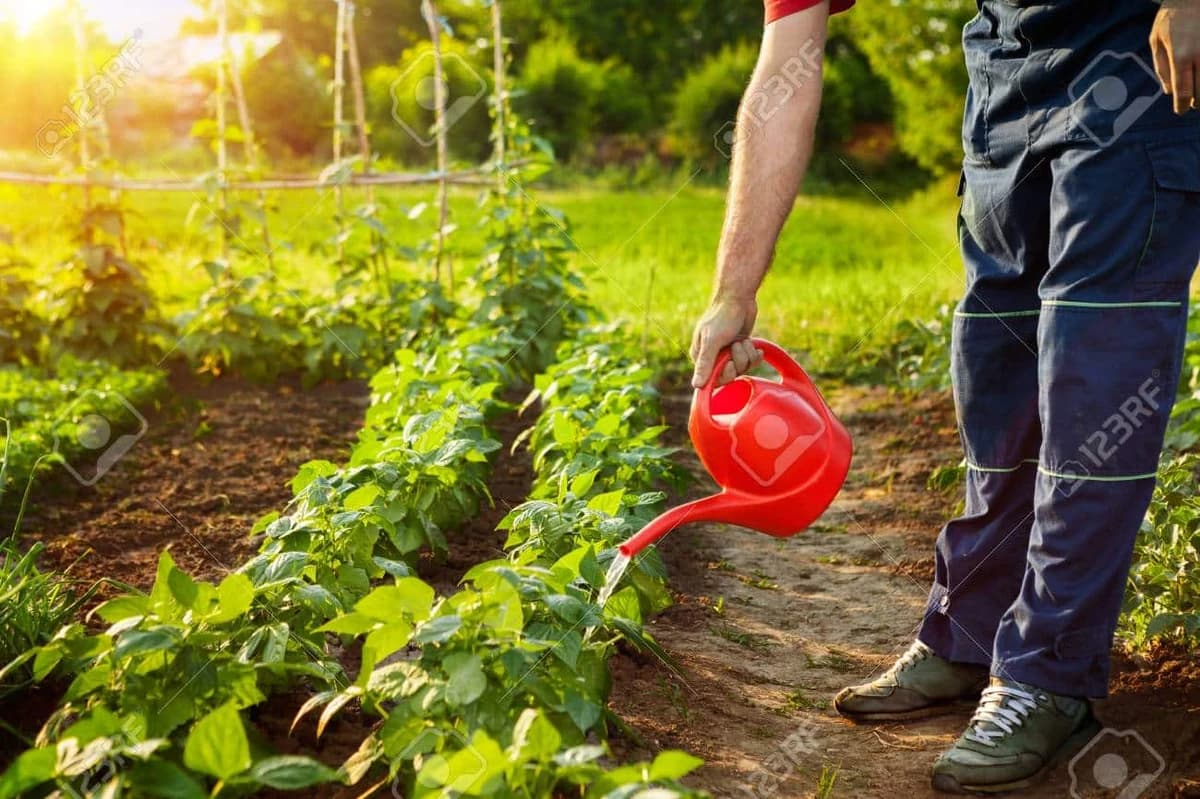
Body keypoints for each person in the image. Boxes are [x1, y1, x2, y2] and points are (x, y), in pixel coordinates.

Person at [689, 0, 1200, 793]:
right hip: (1004, 64)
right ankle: (970, 633)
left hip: (1135, 49)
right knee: (994, 370)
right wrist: (734, 291)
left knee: (1094, 373)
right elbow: (785, 69)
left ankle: (1046, 673)